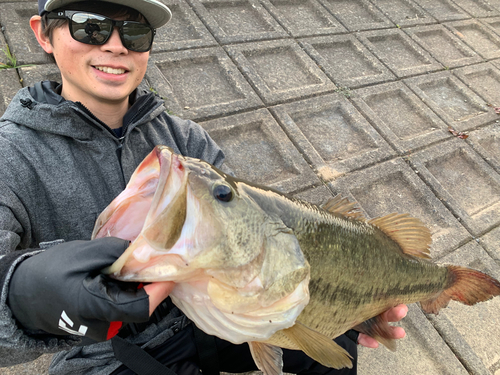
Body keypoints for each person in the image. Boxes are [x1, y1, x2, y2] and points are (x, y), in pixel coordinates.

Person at [0, 0, 407, 374]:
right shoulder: (10, 156)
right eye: (91, 27)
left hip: (207, 315)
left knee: (340, 344)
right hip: (106, 355)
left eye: (135, 34)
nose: (116, 46)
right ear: (42, 33)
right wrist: (22, 296)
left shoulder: (186, 140)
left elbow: (248, 235)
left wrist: (345, 291)